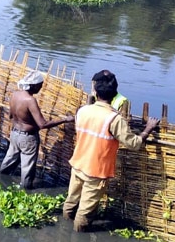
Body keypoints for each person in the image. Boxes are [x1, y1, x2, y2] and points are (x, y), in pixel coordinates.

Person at [63, 70, 159, 232]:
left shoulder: (83, 111)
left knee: (71, 201)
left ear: (95, 91)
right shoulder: (114, 119)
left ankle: (63, 234)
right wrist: (147, 129)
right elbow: (134, 143)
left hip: (78, 163)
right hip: (96, 171)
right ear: (115, 94)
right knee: (85, 212)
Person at [0, 70, 74, 189]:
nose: (41, 88)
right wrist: (65, 120)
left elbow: (11, 116)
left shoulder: (15, 95)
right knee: (27, 167)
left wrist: (25, 120)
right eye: (40, 85)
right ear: (33, 85)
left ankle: (0, 181)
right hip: (27, 138)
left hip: (14, 134)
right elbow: (42, 124)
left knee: (10, 160)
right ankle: (26, 190)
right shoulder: (30, 100)